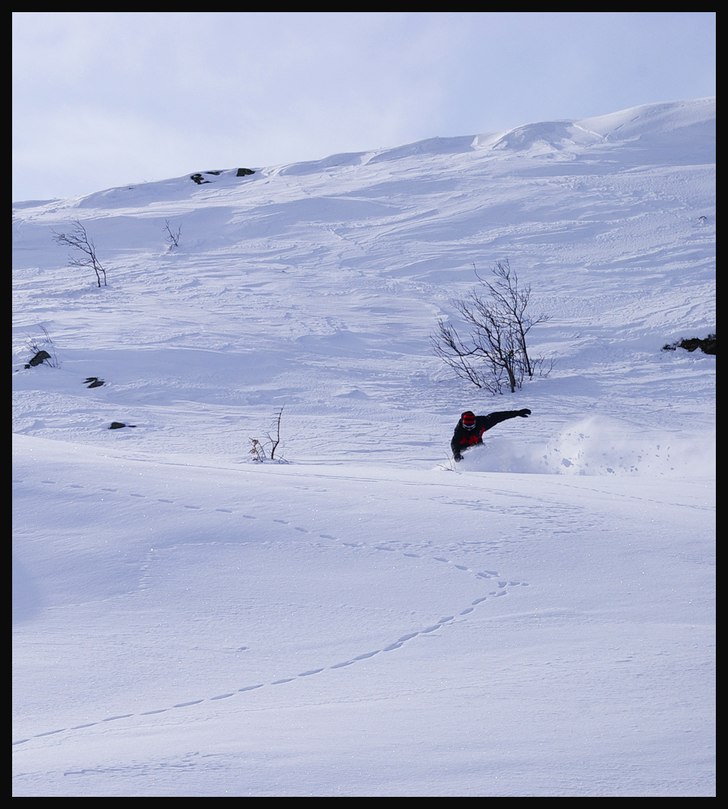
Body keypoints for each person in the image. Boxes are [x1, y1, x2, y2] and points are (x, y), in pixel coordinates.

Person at [451, 408, 531, 462]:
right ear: (462, 422)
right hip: (462, 451)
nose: (469, 428)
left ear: (475, 422)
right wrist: (456, 454)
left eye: (471, 426)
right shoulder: (459, 431)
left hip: (479, 447)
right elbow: (454, 443)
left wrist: (517, 413)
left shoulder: (482, 422)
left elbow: (499, 416)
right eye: (467, 426)